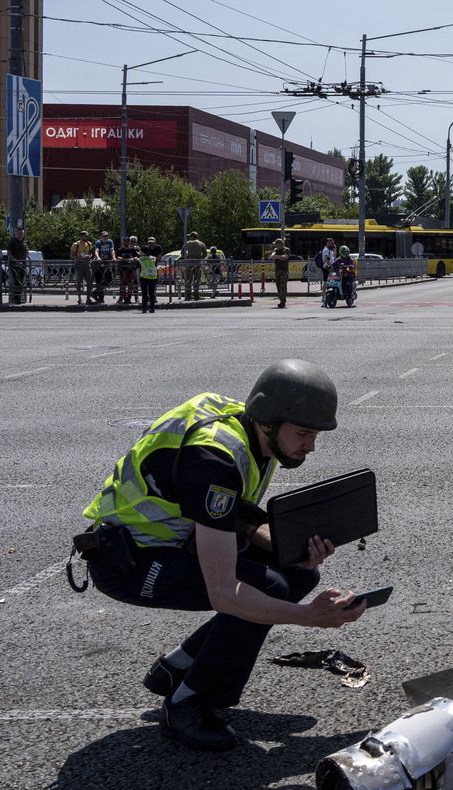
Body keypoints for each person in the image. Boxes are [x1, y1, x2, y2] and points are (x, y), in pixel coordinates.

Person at [77, 360, 365, 750]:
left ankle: (177, 668)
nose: (310, 446)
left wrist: (296, 551)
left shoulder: (246, 429)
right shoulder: (214, 458)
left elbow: (237, 521)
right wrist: (310, 618)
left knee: (298, 575)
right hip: (129, 564)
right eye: (303, 433)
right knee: (269, 586)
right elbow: (224, 594)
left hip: (171, 545)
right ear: (268, 420)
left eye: (315, 434)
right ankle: (187, 702)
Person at [90, 231, 116, 305]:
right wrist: (98, 257)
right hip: (98, 263)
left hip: (107, 263)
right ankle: (101, 299)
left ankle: (94, 293)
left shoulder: (110, 241)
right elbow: (96, 250)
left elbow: (112, 250)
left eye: (106, 236)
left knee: (109, 280)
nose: (105, 237)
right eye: (104, 236)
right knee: (99, 280)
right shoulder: (98, 242)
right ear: (100, 237)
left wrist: (114, 257)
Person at [137, 238, 162, 313]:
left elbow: (137, 269)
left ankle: (144, 309)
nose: (140, 252)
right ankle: (152, 309)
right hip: (153, 277)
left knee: (144, 294)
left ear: (143, 252)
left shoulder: (140, 259)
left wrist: (138, 280)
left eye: (140, 251)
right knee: (152, 293)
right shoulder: (153, 258)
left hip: (144, 277)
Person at [182, 232, 208, 300]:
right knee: (197, 279)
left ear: (192, 236)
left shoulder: (187, 243)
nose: (189, 238)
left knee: (188, 279)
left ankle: (188, 295)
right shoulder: (201, 243)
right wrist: (199, 258)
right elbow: (205, 254)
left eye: (190, 236)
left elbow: (182, 253)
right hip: (197, 263)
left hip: (189, 264)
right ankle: (196, 295)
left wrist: (187, 258)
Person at [7, 227, 30, 304]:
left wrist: (26, 248)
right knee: (17, 281)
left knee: (21, 281)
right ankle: (17, 298)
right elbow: (9, 254)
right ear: (16, 233)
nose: (21, 235)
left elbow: (27, 254)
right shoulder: (12, 241)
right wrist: (16, 262)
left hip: (23, 264)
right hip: (14, 265)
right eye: (20, 233)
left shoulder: (24, 242)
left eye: (22, 234)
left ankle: (19, 297)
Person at [116, 236, 141, 304]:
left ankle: (128, 298)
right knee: (123, 284)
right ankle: (123, 298)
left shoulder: (132, 249)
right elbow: (118, 257)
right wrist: (125, 259)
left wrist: (133, 258)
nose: (127, 242)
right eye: (125, 241)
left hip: (131, 270)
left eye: (128, 241)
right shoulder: (120, 249)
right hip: (122, 269)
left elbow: (136, 256)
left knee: (130, 285)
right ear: (123, 242)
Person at [70, 231, 94, 300]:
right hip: (79, 264)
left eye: (88, 236)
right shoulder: (76, 244)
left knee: (89, 282)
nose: (87, 237)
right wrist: (82, 257)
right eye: (86, 236)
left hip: (87, 264)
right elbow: (71, 256)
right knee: (79, 282)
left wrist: (89, 256)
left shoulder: (89, 243)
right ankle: (79, 299)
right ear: (81, 236)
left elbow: (91, 253)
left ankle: (88, 299)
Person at [270, 238, 292, 309]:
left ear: (280, 244)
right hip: (277, 271)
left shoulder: (286, 250)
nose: (275, 245)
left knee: (283, 286)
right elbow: (272, 256)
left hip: (284, 271)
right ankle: (281, 300)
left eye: (276, 244)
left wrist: (277, 257)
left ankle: (283, 302)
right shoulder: (275, 250)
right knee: (278, 286)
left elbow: (285, 257)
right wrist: (280, 257)